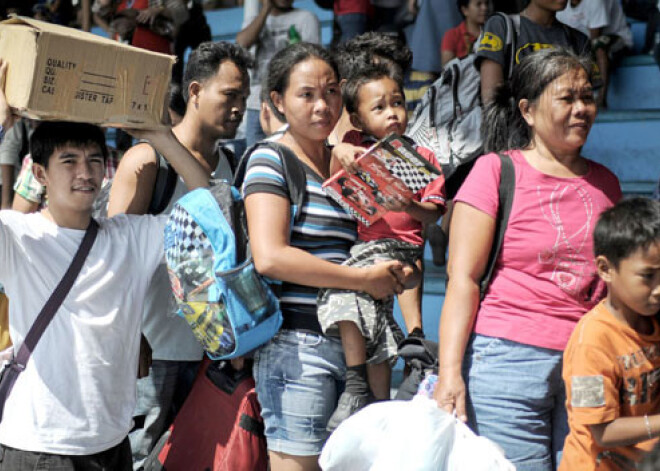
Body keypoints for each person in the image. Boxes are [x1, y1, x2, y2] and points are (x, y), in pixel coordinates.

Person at [0, 64, 210, 470]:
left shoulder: (130, 236)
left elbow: (209, 208)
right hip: (38, 447)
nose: (86, 172)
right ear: (40, 174)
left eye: (95, 160)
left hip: (112, 444)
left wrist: (162, 138)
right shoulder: (17, 236)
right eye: (69, 161)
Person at [433, 48, 622, 470]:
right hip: (506, 362)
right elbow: (462, 278)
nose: (581, 109)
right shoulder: (495, 172)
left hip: (587, 363)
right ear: (528, 110)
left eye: (588, 96)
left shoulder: (607, 183)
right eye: (567, 98)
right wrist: (450, 372)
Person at [241, 42, 411, 471]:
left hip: (360, 348)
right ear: (278, 101)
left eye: (332, 92)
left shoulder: (343, 167)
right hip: (299, 351)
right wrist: (362, 281)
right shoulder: (271, 160)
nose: (323, 105)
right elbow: (271, 257)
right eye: (307, 95)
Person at [107, 41, 251, 470]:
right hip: (151, 351)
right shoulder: (147, 161)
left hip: (212, 354)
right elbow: (113, 259)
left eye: (244, 97)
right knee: (136, 457)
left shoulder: (232, 163)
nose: (239, 107)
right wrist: (131, 334)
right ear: (194, 91)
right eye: (229, 95)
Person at [319, 63, 446, 430]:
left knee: (347, 287)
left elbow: (433, 214)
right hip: (364, 251)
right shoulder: (355, 148)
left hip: (400, 251)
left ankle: (364, 380)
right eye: (379, 108)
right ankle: (368, 394)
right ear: (356, 119)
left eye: (398, 103)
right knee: (366, 318)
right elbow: (333, 170)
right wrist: (341, 148)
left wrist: (407, 205)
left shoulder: (423, 156)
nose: (392, 112)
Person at [560, 197, 660, 471]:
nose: (659, 288)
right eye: (648, 276)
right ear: (605, 269)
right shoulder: (591, 342)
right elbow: (601, 431)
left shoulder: (652, 319)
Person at [236, 0, 320, 148]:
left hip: (290, 102)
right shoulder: (256, 20)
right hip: (257, 104)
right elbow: (242, 42)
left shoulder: (306, 18)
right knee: (255, 154)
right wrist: (265, 9)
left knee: (291, 152)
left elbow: (314, 61)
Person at [476, 0, 591, 104]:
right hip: (513, 124)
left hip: (563, 124)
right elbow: (491, 99)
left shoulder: (578, 39)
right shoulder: (501, 26)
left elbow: (586, 97)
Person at [557, 0, 632, 108]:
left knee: (598, 46)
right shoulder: (561, 6)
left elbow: (594, 38)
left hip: (619, 41)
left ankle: (601, 99)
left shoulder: (596, 2)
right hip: (584, 44)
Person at [441, 0, 489, 66]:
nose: (485, 8)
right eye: (478, 4)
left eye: (486, 3)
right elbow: (447, 69)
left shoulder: (493, 33)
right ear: (465, 10)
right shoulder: (452, 35)